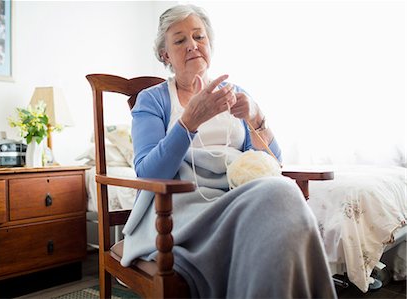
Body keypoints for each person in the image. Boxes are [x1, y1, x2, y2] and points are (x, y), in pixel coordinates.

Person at [121, 4, 337, 298]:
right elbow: (148, 172)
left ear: (209, 44)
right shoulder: (153, 100)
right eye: (180, 40)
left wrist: (257, 117)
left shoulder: (234, 93)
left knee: (282, 193)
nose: (192, 45)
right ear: (165, 55)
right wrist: (189, 121)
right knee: (282, 194)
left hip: (234, 197)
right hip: (181, 207)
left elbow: (271, 163)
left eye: (199, 37)